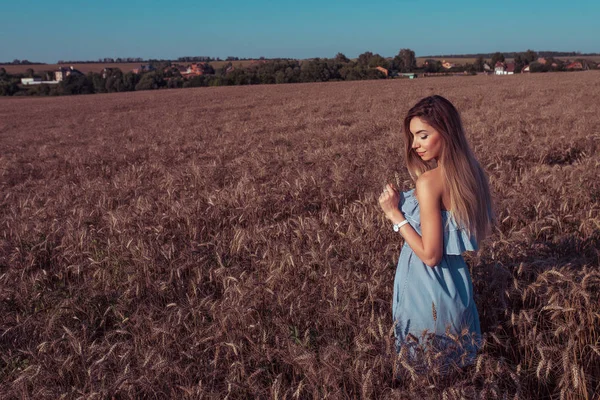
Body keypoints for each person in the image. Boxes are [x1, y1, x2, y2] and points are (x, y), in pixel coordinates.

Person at [378, 95, 494, 372]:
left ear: (446, 131)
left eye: (423, 135)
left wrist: (395, 215)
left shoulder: (429, 182)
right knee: (457, 373)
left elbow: (430, 255)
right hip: (455, 285)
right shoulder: (472, 173)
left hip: (425, 289)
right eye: (412, 137)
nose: (415, 145)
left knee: (423, 372)